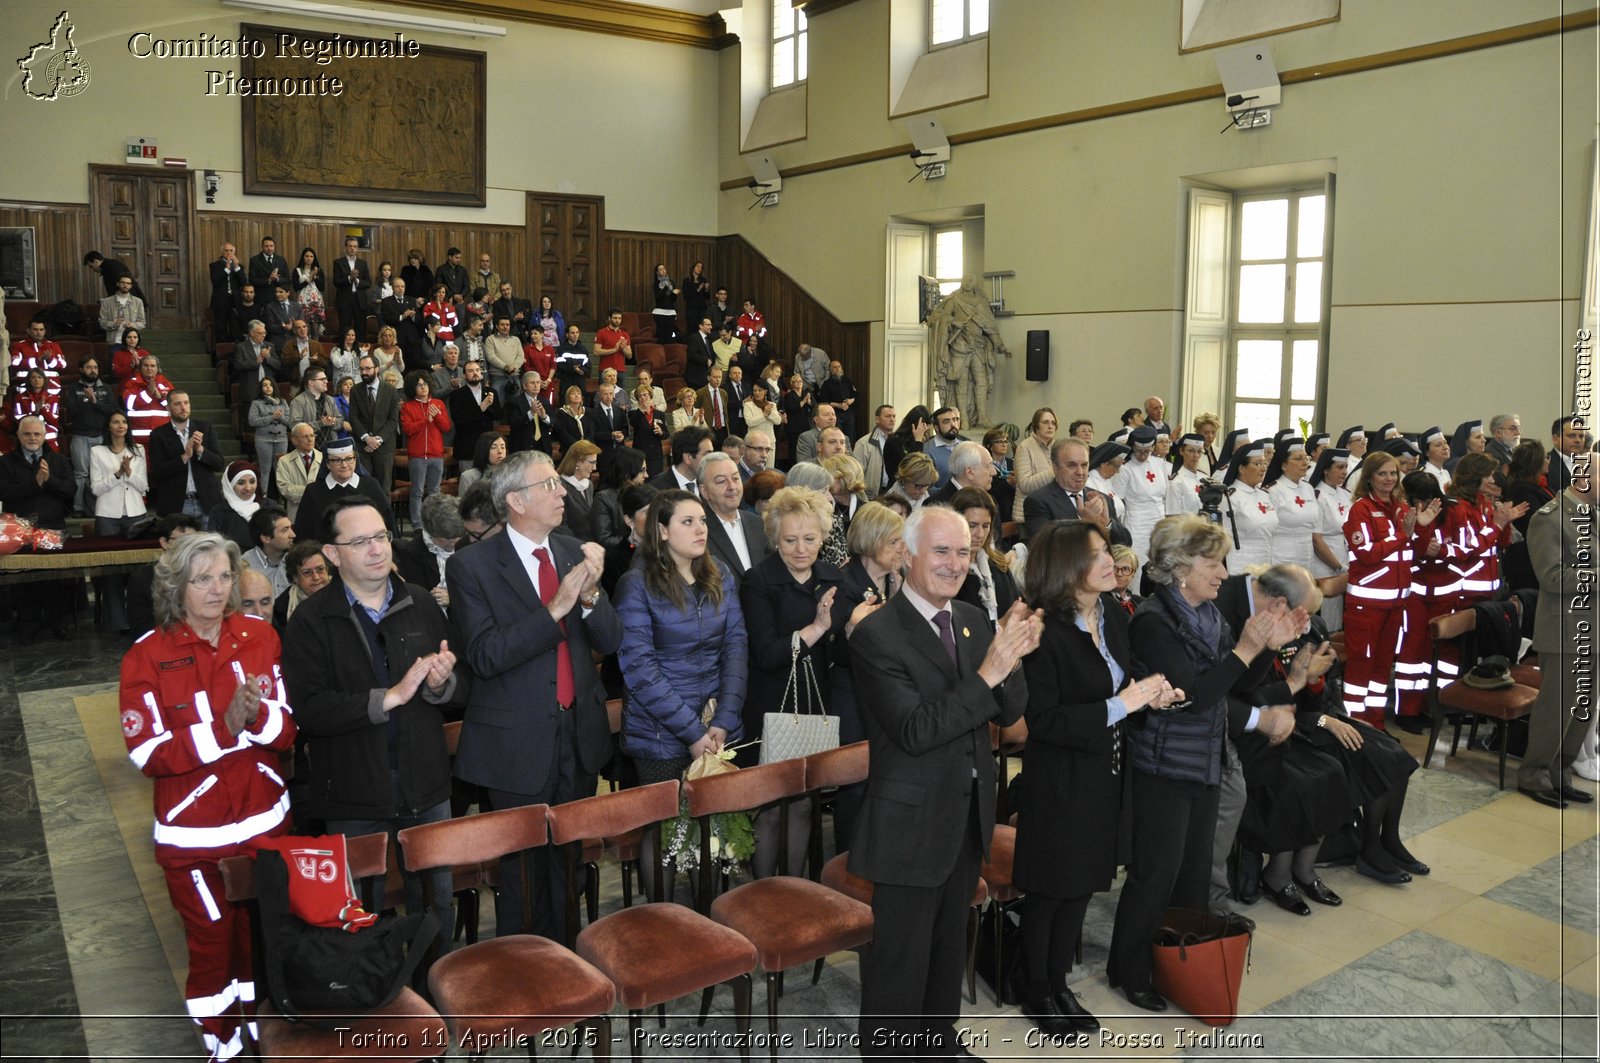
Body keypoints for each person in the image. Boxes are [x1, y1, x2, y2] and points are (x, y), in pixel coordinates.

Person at [849, 505, 1041, 1057]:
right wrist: (990, 671)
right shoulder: (877, 633)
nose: (955, 563)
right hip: (908, 822)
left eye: (963, 552)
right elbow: (914, 730)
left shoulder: (973, 619)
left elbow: (1007, 713)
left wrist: (1013, 654)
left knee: (944, 949)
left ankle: (938, 1044)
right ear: (907, 554)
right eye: (941, 550)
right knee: (900, 962)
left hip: (966, 813)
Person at [1106, 515, 1300, 1012]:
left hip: (1206, 759)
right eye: (1212, 562)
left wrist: (1264, 651)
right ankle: (1128, 969)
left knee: (1193, 872)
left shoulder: (1210, 615)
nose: (1222, 573)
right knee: (1156, 873)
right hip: (1165, 765)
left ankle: (1176, 958)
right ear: (1179, 567)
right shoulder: (1154, 620)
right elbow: (1192, 696)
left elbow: (1232, 685)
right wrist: (1247, 649)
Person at [119, 532, 295, 1062]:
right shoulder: (146, 657)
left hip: (266, 824)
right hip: (194, 840)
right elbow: (148, 752)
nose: (218, 590)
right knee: (214, 948)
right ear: (176, 587)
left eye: (224, 577)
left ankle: (261, 1031)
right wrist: (224, 728)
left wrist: (258, 716)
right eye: (203, 580)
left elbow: (286, 731)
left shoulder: (260, 637)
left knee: (261, 945)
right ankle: (220, 1043)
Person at [1013, 520, 1183, 1035]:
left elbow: (1118, 682)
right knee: (1049, 892)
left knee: (1083, 885)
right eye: (1097, 554)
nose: (1111, 560)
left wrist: (1149, 693)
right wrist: (1121, 704)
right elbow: (1042, 721)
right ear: (1067, 567)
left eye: (1107, 550)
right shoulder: (1044, 629)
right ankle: (1035, 991)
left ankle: (1058, 982)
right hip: (1059, 778)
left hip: (1107, 771)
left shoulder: (1112, 611)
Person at [283, 496, 466, 953]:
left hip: (424, 778)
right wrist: (389, 698)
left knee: (437, 901)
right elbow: (309, 710)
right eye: (360, 541)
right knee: (362, 908)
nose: (377, 549)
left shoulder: (419, 601)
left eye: (382, 536)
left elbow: (459, 690)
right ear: (332, 553)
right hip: (353, 785)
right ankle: (380, 1004)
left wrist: (442, 685)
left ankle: (437, 992)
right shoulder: (311, 619)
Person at [449, 452, 619, 938]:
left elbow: (612, 642)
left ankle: (568, 965)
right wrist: (557, 608)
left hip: (578, 731)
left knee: (567, 862)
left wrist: (589, 597)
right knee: (521, 870)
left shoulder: (572, 551)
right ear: (516, 500)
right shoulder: (472, 565)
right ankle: (525, 980)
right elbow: (484, 655)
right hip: (515, 741)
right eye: (550, 485)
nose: (563, 491)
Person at [614, 488, 746, 873]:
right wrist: (692, 734)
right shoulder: (637, 583)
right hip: (660, 735)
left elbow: (737, 646)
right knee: (666, 837)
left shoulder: (719, 572)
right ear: (663, 530)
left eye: (702, 520)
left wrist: (724, 718)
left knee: (716, 835)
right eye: (687, 522)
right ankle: (662, 920)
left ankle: (707, 919)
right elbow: (640, 669)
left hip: (716, 725)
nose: (700, 529)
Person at [740, 486, 844, 876]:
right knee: (769, 809)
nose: (801, 548)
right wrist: (816, 629)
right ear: (775, 539)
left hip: (818, 703)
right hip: (772, 706)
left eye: (809, 539)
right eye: (790, 540)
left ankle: (794, 892)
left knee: (803, 807)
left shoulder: (833, 577)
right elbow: (766, 655)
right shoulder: (758, 582)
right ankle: (762, 896)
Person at [1517, 451, 1600, 808]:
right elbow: (1552, 578)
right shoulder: (1550, 518)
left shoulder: (1592, 513)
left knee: (1582, 709)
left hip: (1593, 628)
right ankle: (1534, 775)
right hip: (1565, 629)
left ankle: (1560, 773)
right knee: (1556, 709)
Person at [1341, 450, 1437, 728]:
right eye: (1382, 473)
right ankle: (1355, 725)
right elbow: (1367, 554)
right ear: (1369, 477)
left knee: (1383, 665)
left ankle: (1376, 723)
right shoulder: (1360, 509)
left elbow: (1417, 551)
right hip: (1366, 604)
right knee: (1362, 665)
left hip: (1396, 603)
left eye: (1393, 473)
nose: (1388, 478)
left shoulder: (1401, 507)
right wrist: (1401, 535)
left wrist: (1423, 529)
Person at [90, 411, 149, 627]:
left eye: (124, 422)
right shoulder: (97, 451)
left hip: (136, 513)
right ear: (108, 426)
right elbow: (96, 488)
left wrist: (129, 472)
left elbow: (143, 486)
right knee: (111, 572)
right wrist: (117, 474)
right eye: (115, 421)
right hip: (108, 516)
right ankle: (118, 622)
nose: (121, 425)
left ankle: (139, 618)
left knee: (138, 571)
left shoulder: (138, 450)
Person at [1022, 437, 1133, 546]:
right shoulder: (1038, 501)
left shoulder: (1102, 499)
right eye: (1072, 465)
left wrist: (1107, 523)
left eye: (1084, 465)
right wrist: (1085, 524)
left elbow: (1125, 544)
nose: (1080, 472)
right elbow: (1043, 548)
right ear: (1055, 467)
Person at [293, 438, 394, 542]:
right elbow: (304, 531)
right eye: (337, 460)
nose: (344, 465)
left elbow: (388, 523)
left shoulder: (371, 486)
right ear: (327, 464)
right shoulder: (313, 491)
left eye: (349, 459)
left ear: (356, 460)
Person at [147, 392, 225, 522]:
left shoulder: (205, 428)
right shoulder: (158, 435)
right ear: (168, 408)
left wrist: (200, 450)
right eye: (177, 404)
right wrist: (185, 456)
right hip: (177, 504)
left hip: (207, 501)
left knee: (210, 542)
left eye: (186, 403)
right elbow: (158, 473)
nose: (183, 407)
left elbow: (219, 463)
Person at [950, 486, 1018, 629]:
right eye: (972, 525)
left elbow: (1016, 608)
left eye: (985, 526)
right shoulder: (947, 572)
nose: (980, 534)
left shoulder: (999, 565)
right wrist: (998, 627)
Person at [397, 372, 451, 530]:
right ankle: (418, 525)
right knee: (417, 491)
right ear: (413, 388)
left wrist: (437, 417)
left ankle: (433, 524)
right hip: (418, 456)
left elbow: (446, 427)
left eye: (425, 384)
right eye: (419, 385)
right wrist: (425, 420)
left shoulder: (438, 403)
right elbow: (408, 429)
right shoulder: (408, 406)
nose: (423, 388)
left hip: (436, 455)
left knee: (435, 491)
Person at [1308, 448, 1354, 630]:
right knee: (1326, 619)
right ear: (1326, 470)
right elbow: (1317, 539)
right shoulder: (1318, 496)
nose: (1344, 472)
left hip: (1345, 561)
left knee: (1340, 619)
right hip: (1325, 565)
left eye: (1346, 467)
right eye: (1340, 467)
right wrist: (1338, 566)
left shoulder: (1345, 494)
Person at [1502, 439, 1554, 590]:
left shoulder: (1540, 485)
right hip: (1526, 561)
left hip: (1538, 555)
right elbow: (1540, 519)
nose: (1548, 461)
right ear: (1535, 463)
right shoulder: (1521, 490)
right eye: (1546, 457)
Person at [1219, 439, 1278, 574]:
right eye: (1257, 464)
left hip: (1265, 562)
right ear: (1241, 468)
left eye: (1264, 463)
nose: (1263, 468)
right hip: (1240, 566)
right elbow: (1222, 539)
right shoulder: (1229, 497)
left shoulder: (1265, 495)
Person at [1114, 426, 1167, 562]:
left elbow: (1164, 496)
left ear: (1153, 448)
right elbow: (1118, 500)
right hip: (1136, 525)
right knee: (1139, 564)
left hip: (1159, 522)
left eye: (1147, 451)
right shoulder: (1125, 468)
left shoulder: (1160, 464)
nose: (1142, 455)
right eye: (1138, 451)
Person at [350, 354, 401, 494]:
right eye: (361, 369)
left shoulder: (391, 390)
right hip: (363, 447)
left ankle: (383, 516)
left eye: (367, 368)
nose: (364, 373)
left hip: (384, 447)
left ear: (377, 369)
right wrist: (367, 438)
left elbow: (393, 420)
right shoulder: (355, 390)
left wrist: (377, 440)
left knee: (384, 488)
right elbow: (353, 417)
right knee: (363, 487)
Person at [1265, 438, 1318, 568]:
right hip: (1282, 556)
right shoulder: (1273, 490)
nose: (1304, 463)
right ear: (1284, 465)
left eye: (1305, 458)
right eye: (1298, 459)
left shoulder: (1308, 488)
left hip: (1307, 555)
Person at [1010, 408, 1059, 523]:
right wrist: (1054, 472)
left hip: (1051, 512)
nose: (1050, 426)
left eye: (1053, 423)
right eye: (1045, 422)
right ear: (1036, 425)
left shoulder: (1057, 447)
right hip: (1029, 515)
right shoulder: (1025, 447)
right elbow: (1024, 484)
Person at [272, 538, 331, 631]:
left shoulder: (344, 594)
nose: (316, 577)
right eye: (307, 572)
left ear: (327, 570)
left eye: (320, 569)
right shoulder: (281, 610)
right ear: (295, 577)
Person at [242, 505, 295, 599]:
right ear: (266, 538)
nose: (293, 535)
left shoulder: (297, 559)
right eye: (285, 530)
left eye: (291, 528)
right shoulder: (245, 566)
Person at [557, 439, 601, 541]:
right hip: (571, 545)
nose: (594, 467)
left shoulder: (589, 485)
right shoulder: (560, 486)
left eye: (595, 462)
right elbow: (561, 527)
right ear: (577, 461)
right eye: (592, 462)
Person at [330, 236, 370, 342]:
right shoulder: (338, 262)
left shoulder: (363, 263)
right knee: (344, 328)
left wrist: (356, 280)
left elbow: (368, 283)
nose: (352, 248)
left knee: (361, 328)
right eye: (350, 246)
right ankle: (344, 352)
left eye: (355, 246)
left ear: (357, 248)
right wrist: (349, 277)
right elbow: (336, 282)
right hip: (344, 300)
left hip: (359, 300)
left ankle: (360, 352)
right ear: (345, 248)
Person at [209, 242, 245, 351]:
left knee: (235, 329)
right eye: (226, 250)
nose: (229, 253)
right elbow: (215, 281)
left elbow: (244, 282)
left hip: (235, 302)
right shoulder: (215, 265)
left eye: (231, 251)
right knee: (220, 330)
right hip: (220, 302)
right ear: (222, 252)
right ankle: (219, 356)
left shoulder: (239, 267)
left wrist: (237, 267)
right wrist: (227, 268)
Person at [98, 273, 147, 348]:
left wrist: (132, 325)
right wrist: (115, 324)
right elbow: (102, 323)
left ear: (131, 286)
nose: (125, 285)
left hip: (132, 343)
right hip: (114, 341)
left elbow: (142, 323)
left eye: (128, 283)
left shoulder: (138, 301)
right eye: (123, 282)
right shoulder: (107, 302)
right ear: (118, 284)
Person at [458, 432, 509, 499]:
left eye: (503, 447)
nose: (500, 451)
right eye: (493, 447)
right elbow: (463, 506)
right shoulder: (468, 476)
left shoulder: (511, 474)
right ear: (483, 450)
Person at [553, 384, 597, 454]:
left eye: (578, 394)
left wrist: (585, 445)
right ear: (568, 398)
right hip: (569, 449)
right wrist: (577, 446)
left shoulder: (588, 412)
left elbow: (591, 432)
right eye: (573, 394)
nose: (576, 396)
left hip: (587, 448)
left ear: (582, 398)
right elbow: (564, 434)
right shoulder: (562, 413)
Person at [650, 265, 681, 344]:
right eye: (660, 270)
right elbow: (658, 298)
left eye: (664, 268)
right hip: (659, 312)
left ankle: (668, 353)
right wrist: (666, 287)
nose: (663, 270)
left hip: (670, 312)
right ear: (657, 272)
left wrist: (674, 294)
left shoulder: (671, 282)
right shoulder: (656, 283)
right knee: (662, 335)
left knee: (669, 335)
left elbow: (673, 300)